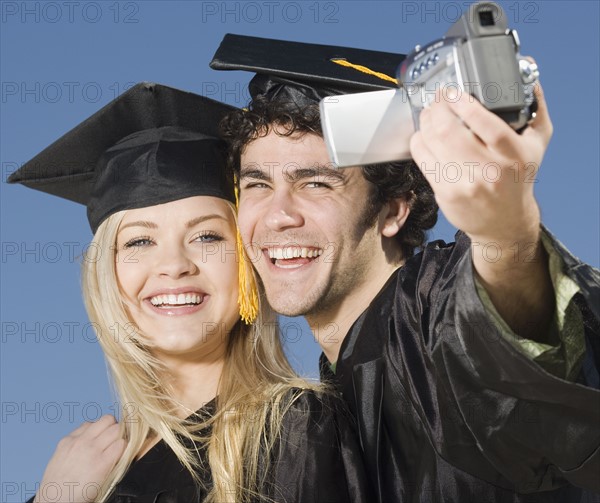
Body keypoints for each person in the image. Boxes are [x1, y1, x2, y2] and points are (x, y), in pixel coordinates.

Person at [211, 34, 600, 502]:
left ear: (394, 209)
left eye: (315, 183)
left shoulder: (428, 313)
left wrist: (504, 231)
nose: (278, 214)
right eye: (257, 184)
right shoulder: (322, 406)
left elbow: (503, 330)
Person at [8, 82, 372, 503]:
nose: (175, 264)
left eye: (207, 237)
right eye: (139, 242)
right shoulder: (92, 465)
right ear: (105, 274)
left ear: (247, 261)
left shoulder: (294, 429)